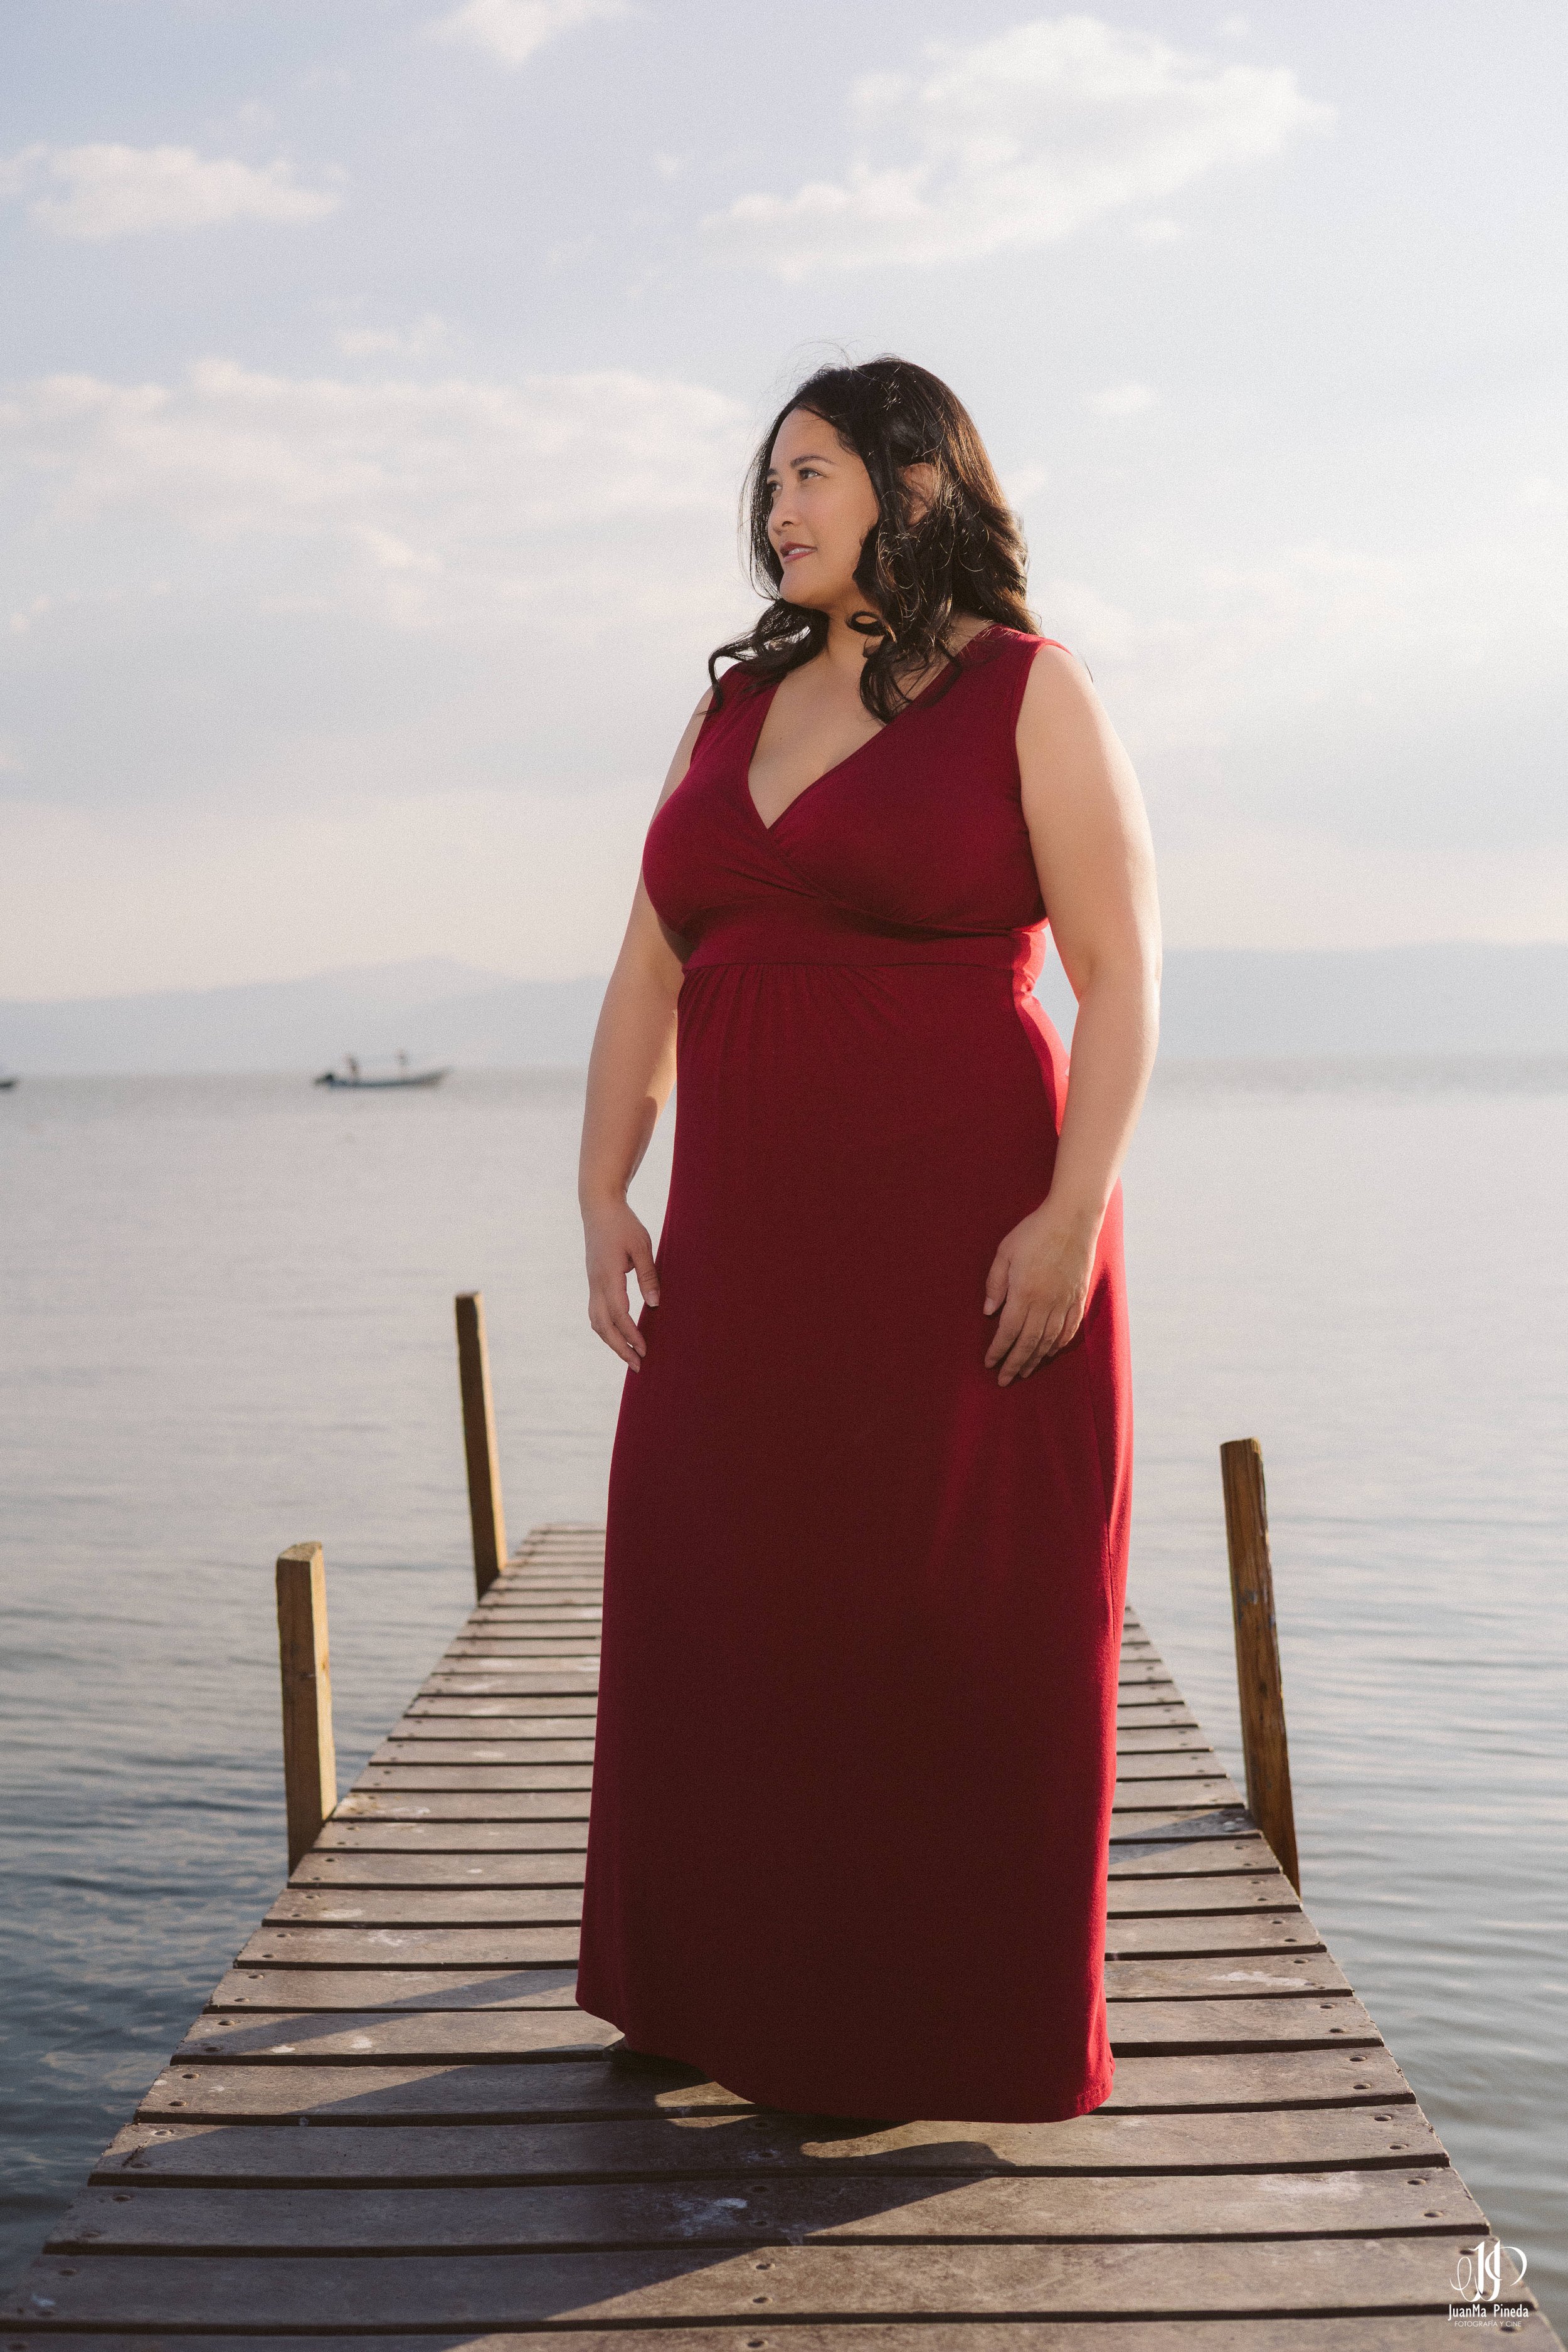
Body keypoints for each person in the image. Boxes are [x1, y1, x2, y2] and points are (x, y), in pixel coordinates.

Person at [575, 356, 1160, 2122]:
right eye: (767, 483)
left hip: (966, 1245)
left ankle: (927, 2028)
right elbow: (646, 970)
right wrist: (603, 1185)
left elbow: (1123, 980)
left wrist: (1072, 1211)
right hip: (745, 1256)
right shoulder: (726, 714)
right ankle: (708, 1985)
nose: (778, 509)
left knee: (945, 1623)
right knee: (709, 1589)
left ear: (915, 484)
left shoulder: (1025, 693)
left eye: (811, 473)